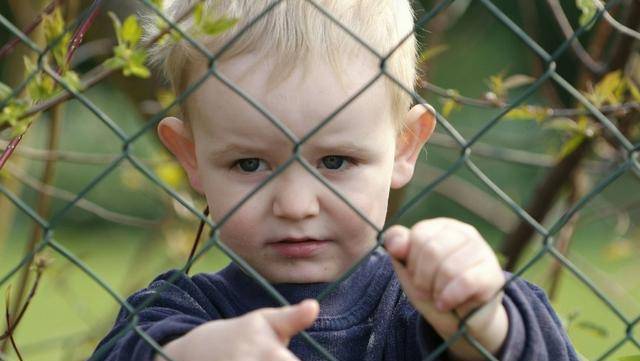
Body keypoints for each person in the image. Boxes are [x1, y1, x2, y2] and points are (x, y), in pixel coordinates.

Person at [92, 1, 579, 360]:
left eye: (336, 161)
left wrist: (486, 324)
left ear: (405, 146)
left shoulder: (422, 311)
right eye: (249, 165)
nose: (296, 205)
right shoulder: (172, 316)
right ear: (191, 157)